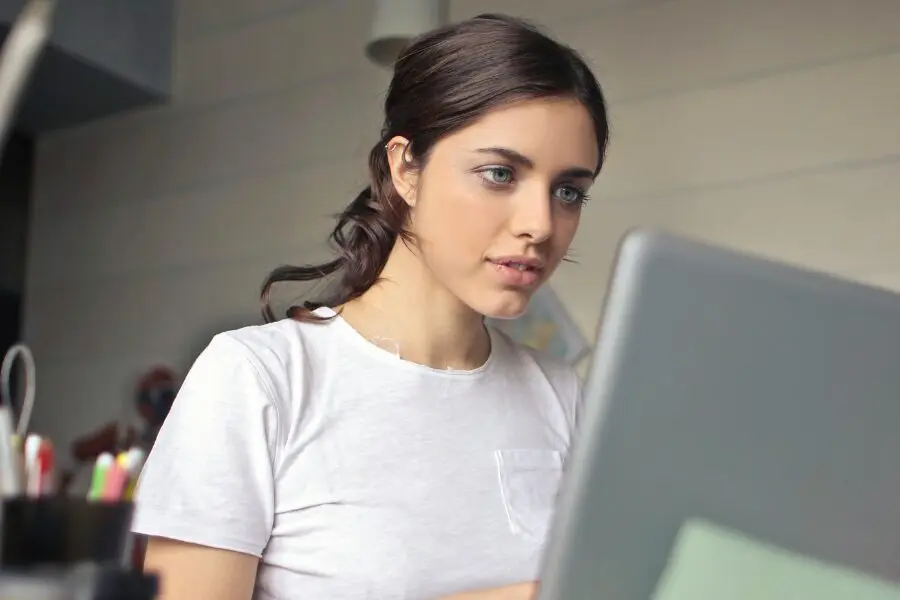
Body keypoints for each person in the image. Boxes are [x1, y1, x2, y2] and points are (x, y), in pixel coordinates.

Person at [132, 12, 609, 600]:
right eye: (499, 173)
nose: (540, 225)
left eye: (568, 192)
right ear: (404, 168)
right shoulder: (259, 379)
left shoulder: (563, 398)